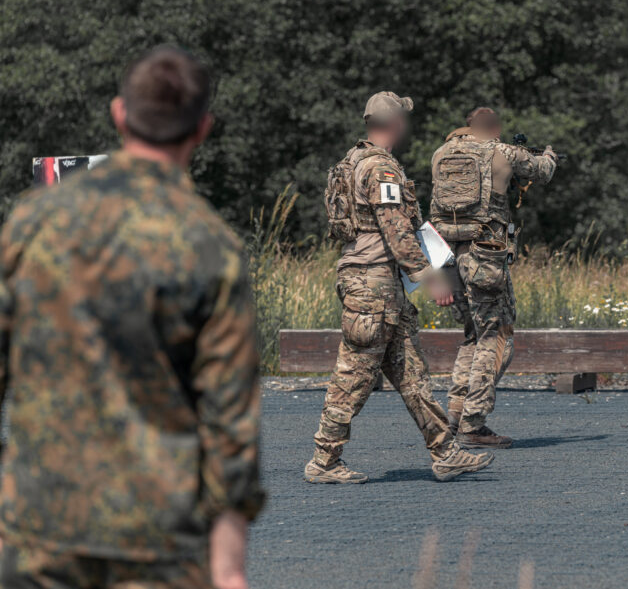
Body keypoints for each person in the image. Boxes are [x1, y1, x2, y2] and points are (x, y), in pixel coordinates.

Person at [0, 46, 264, 589]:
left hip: (38, 526)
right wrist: (230, 563)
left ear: (119, 114)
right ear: (202, 129)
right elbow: (230, 416)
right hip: (158, 536)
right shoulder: (210, 245)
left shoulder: (32, 222)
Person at [305, 92, 494, 484]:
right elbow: (397, 231)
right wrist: (430, 277)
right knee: (353, 377)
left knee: (412, 375)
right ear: (394, 123)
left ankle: (445, 451)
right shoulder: (381, 169)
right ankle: (324, 460)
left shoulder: (351, 162)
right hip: (373, 286)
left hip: (378, 284)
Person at [429, 107, 558, 448]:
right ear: (495, 128)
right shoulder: (501, 151)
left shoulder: (440, 154)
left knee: (472, 335)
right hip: (484, 255)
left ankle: (454, 414)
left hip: (445, 257)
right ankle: (474, 422)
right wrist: (548, 154)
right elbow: (543, 172)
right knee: (498, 337)